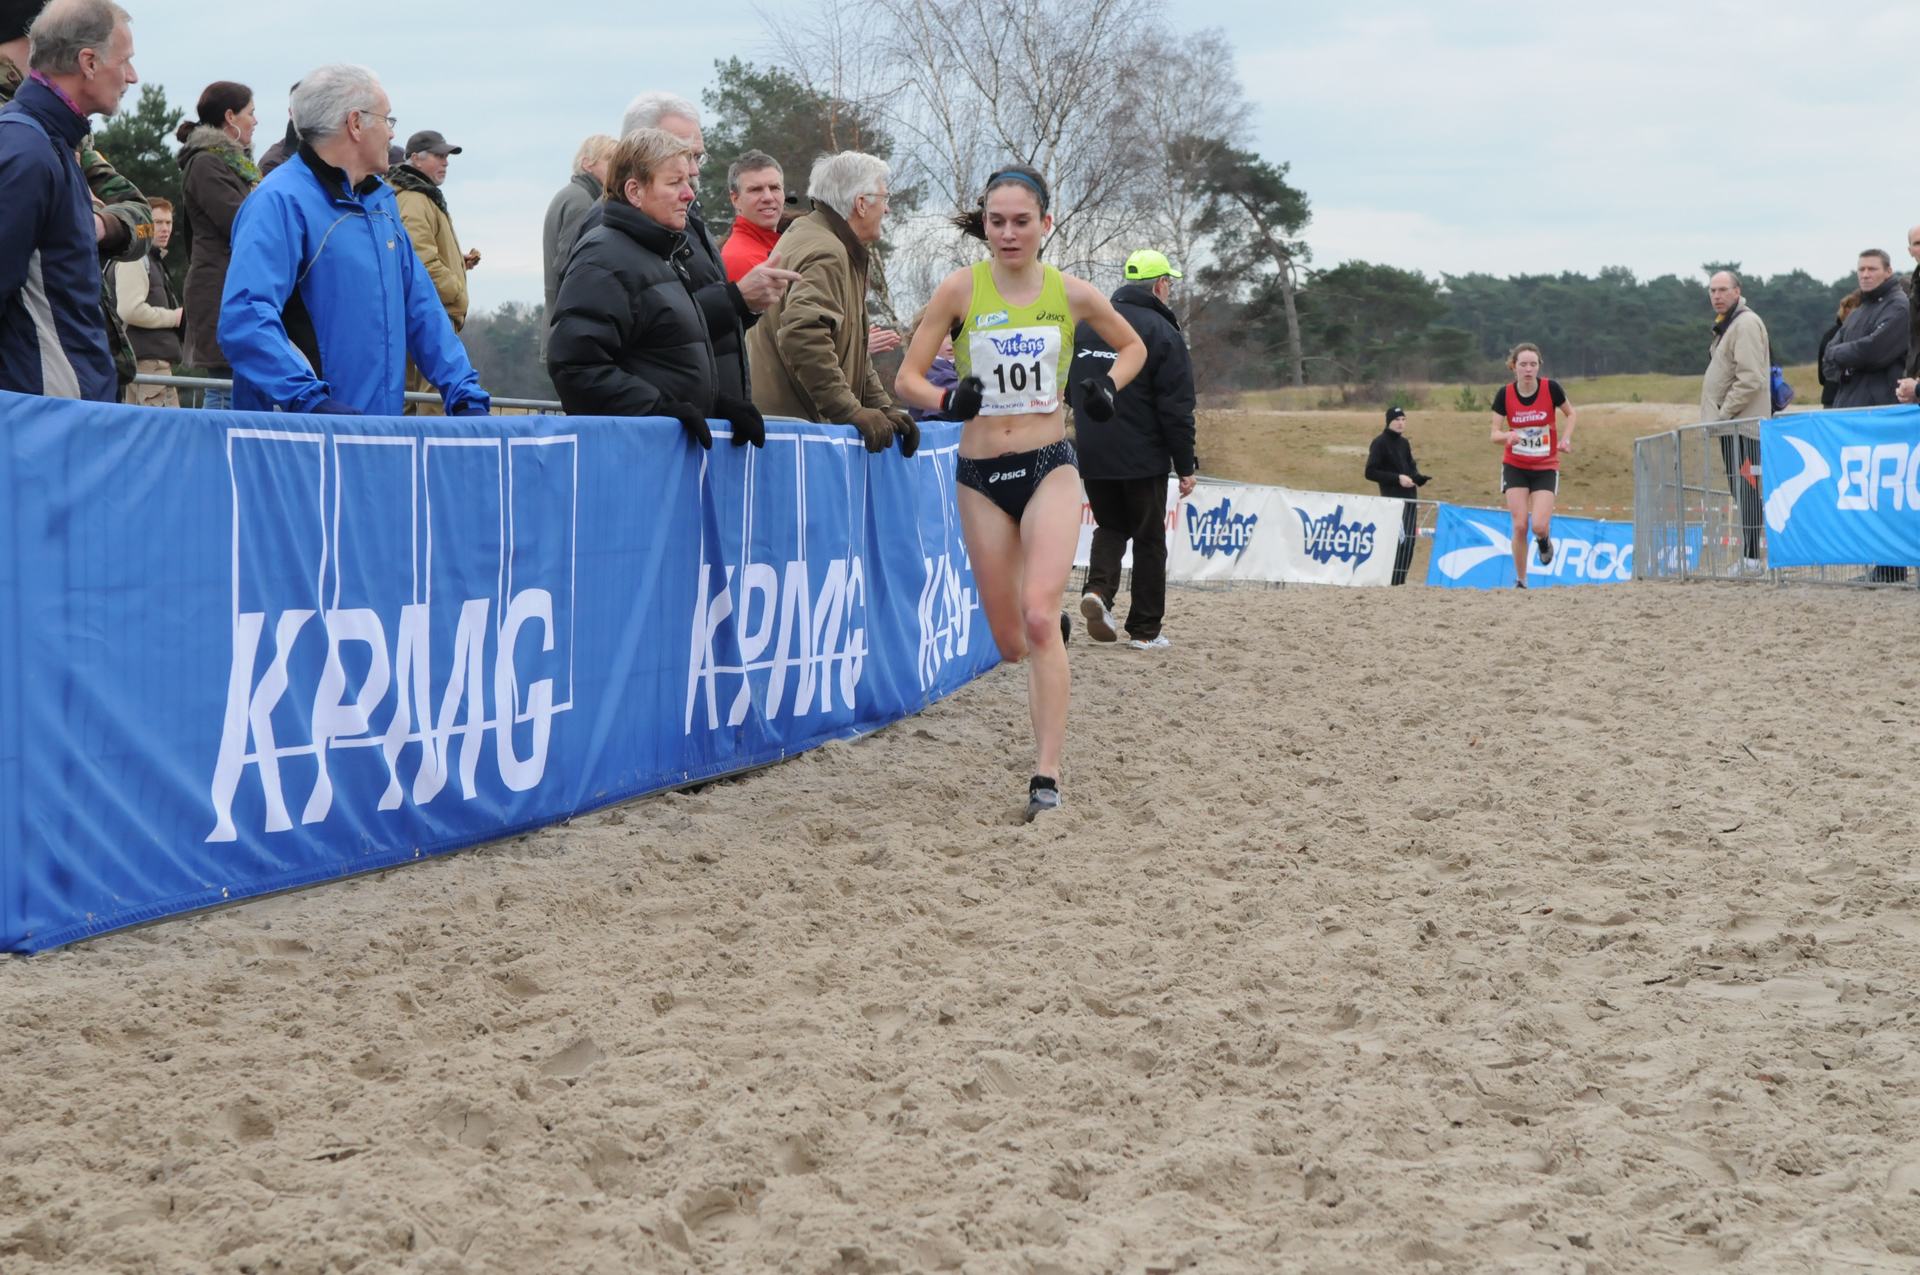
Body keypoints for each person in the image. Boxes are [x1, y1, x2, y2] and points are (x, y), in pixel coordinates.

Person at [896, 165, 1146, 821]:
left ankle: (1047, 774)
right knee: (1012, 643)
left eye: (1021, 221)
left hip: (1048, 466)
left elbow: (1134, 347)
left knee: (1037, 616)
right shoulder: (959, 289)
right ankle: (1043, 633)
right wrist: (947, 400)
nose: (1008, 233)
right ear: (984, 224)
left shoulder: (1072, 293)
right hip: (981, 477)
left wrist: (1107, 386)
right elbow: (907, 379)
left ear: (1045, 224)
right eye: (997, 221)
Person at [218, 64, 488, 416]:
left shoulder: (381, 205)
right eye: (387, 119)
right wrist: (310, 401)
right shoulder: (279, 201)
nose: (392, 134)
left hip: (374, 434)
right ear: (356, 123)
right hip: (303, 436)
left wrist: (464, 392)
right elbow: (246, 317)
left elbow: (422, 308)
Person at [545, 127, 763, 450]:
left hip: (667, 453)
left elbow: (660, 356)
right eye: (674, 183)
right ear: (635, 191)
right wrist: (656, 410)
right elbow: (575, 366)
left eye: (687, 182)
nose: (689, 194)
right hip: (635, 456)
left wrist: (714, 405)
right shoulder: (604, 258)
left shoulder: (661, 253)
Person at [0, 0, 140, 401]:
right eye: (125, 61)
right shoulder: (27, 151)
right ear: (88, 63)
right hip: (45, 413)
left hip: (71, 409)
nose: (132, 76)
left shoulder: (54, 143)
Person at [618, 91, 797, 400]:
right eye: (682, 155)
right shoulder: (612, 234)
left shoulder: (689, 222)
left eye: (697, 157)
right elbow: (645, 334)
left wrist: (744, 306)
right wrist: (737, 298)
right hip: (669, 419)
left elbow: (702, 332)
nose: (694, 170)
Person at [1069, 248, 1196, 646]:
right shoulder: (1163, 332)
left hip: (1093, 450)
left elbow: (1071, 391)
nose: (1169, 291)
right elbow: (1177, 408)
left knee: (1111, 526)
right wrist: (1185, 465)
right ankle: (1144, 630)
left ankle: (1097, 592)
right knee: (1149, 539)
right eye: (1169, 284)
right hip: (1143, 454)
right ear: (1160, 285)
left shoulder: (1088, 325)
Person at [747, 151, 915, 450]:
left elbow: (852, 349)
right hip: (796, 442)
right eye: (885, 198)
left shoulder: (820, 238)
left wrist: (880, 406)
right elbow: (803, 336)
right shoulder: (827, 252)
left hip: (795, 431)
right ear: (861, 204)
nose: (887, 209)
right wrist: (849, 410)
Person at [175, 80, 258, 407]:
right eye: (250, 113)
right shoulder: (206, 163)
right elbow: (239, 220)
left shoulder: (231, 165)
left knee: (233, 385)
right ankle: (217, 442)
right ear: (230, 117)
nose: (256, 121)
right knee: (224, 387)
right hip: (218, 289)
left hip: (230, 285)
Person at [389, 129, 475, 415]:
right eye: (439, 156)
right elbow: (420, 260)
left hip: (426, 310)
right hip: (431, 312)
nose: (445, 162)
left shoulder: (419, 196)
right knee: (432, 401)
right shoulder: (415, 199)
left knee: (415, 401)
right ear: (415, 158)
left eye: (446, 156)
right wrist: (456, 292)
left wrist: (457, 263)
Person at [1489, 342, 1575, 589]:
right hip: (1515, 465)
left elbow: (1571, 414)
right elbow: (1494, 434)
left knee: (1538, 525)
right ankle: (1521, 580)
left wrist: (1566, 439)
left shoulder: (1551, 388)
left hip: (1545, 466)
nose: (1528, 369)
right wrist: (1507, 436)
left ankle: (1544, 540)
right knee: (1519, 525)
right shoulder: (1504, 394)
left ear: (1539, 366)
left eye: (1533, 364)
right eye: (1523, 364)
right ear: (1513, 366)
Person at [1700, 270, 1769, 569]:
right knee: (1740, 491)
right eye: (1712, 290)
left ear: (1737, 291)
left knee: (1748, 490)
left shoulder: (1745, 323)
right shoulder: (1729, 324)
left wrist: (1723, 413)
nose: (1717, 296)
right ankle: (1748, 556)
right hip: (1733, 426)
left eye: (1723, 289)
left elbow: (1751, 378)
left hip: (1745, 426)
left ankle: (1752, 558)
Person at [541, 132, 615, 350]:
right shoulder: (582, 201)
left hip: (565, 326)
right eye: (610, 159)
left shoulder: (574, 194)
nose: (618, 167)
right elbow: (570, 267)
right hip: (572, 331)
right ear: (587, 164)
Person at [113, 192, 181, 405]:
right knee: (166, 426)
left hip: (148, 363)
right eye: (158, 222)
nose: (165, 228)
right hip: (148, 365)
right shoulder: (135, 259)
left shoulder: (151, 259)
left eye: (168, 222)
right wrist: (175, 317)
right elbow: (130, 310)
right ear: (144, 225)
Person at [1822, 250, 1908, 410]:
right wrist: (1845, 370)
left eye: (1872, 269)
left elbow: (1874, 350)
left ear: (1888, 271)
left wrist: (1838, 356)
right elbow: (1827, 360)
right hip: (1847, 406)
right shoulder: (1858, 312)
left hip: (1881, 410)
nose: (1865, 275)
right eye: (1861, 269)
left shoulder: (1899, 307)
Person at [1365, 406, 1429, 586]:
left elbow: (1410, 467)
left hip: (1410, 500)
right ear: (1389, 422)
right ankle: (1390, 580)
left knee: (1409, 542)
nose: (1400, 423)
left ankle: (1400, 582)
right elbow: (1370, 472)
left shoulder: (1404, 443)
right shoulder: (1379, 443)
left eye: (1403, 419)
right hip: (1392, 502)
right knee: (1399, 542)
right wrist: (1397, 478)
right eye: (1397, 420)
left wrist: (1418, 478)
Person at [720, 149, 784, 282]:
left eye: (774, 188)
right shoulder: (741, 259)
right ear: (735, 199)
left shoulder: (779, 245)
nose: (768, 197)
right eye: (756, 190)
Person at [1817, 291, 1862, 408]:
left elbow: (1822, 376)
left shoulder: (1828, 335)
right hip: (1848, 396)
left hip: (1830, 395)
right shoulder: (1858, 335)